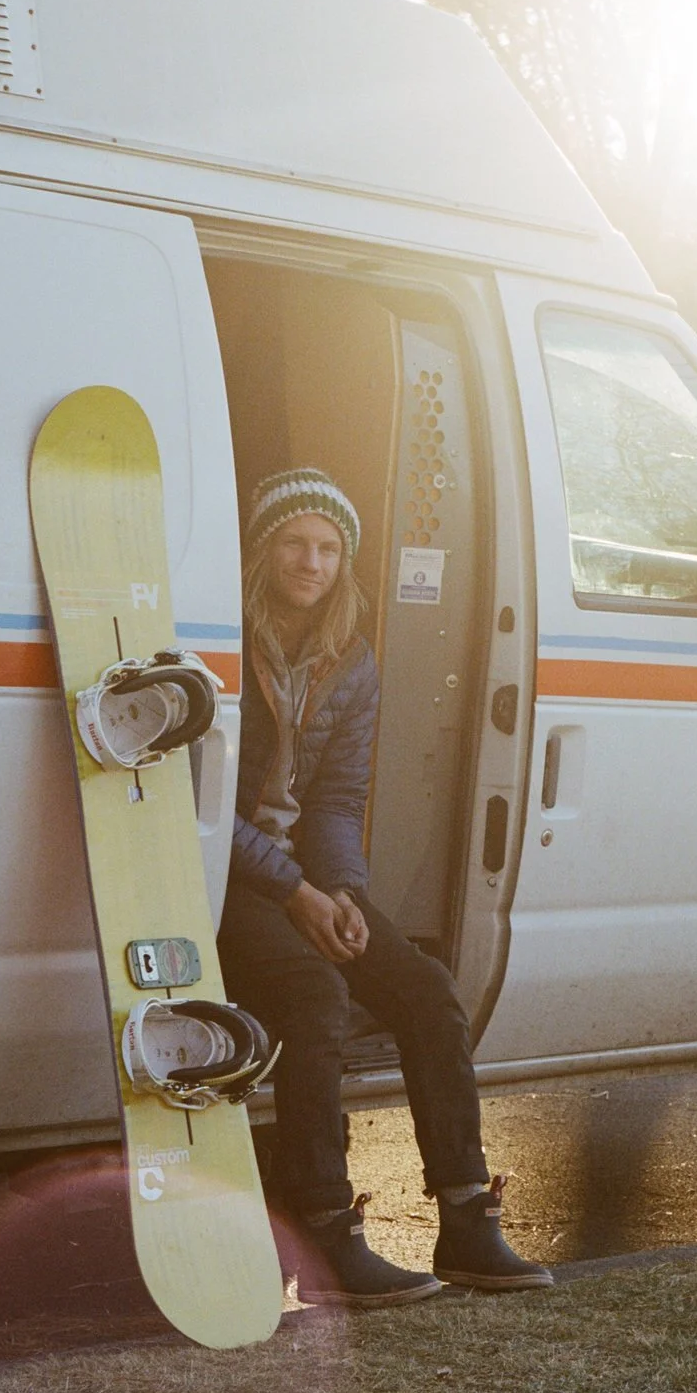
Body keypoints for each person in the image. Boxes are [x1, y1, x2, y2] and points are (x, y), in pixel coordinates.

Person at [223, 466, 553, 1304]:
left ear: (345, 560)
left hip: (305, 875)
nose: (311, 560)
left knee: (427, 991)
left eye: (329, 547)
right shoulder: (223, 643)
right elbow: (201, 813)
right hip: (225, 877)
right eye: (295, 542)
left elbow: (336, 800)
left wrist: (342, 891)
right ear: (264, 552)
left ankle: (468, 1221)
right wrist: (295, 892)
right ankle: (326, 1232)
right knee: (313, 996)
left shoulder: (353, 660)